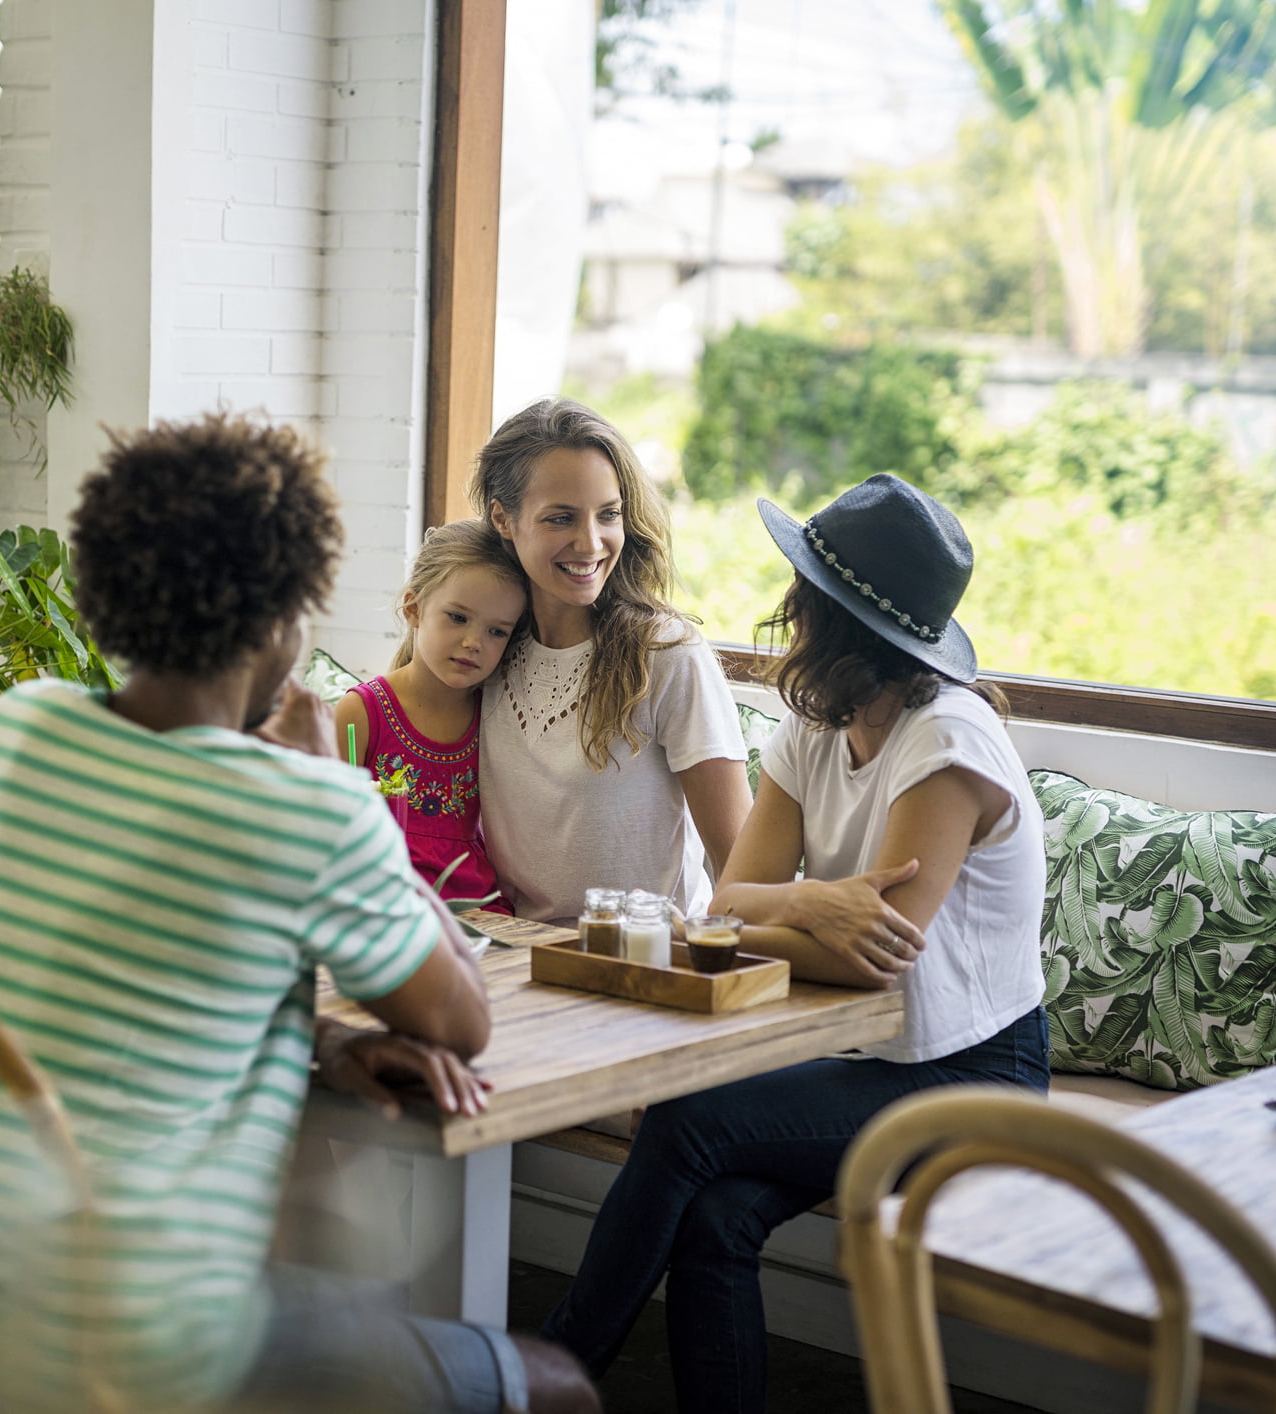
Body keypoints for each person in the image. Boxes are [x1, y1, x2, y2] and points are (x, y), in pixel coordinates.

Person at [0, 413, 598, 1414]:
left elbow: (135, 977)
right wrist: (334, 787)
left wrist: (306, 1045)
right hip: (128, 1368)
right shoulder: (303, 805)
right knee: (557, 1386)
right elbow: (461, 1018)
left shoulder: (21, 729)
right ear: (280, 621)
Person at [540, 474, 1050, 1413]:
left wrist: (787, 912)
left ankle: (551, 1372)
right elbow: (732, 895)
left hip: (969, 1077)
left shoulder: (947, 748)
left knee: (686, 1119)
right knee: (718, 1214)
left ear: (834, 618)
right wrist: (816, 901)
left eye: (804, 596)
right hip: (860, 1057)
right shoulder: (818, 730)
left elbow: (871, 959)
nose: (789, 613)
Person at [473, 398, 751, 922]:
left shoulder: (668, 655)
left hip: (643, 965)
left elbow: (740, 863)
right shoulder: (484, 649)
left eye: (609, 515)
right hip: (515, 959)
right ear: (503, 519)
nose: (591, 542)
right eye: (561, 518)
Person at [333, 519, 528, 911]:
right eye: (457, 617)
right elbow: (328, 836)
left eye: (497, 632)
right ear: (413, 608)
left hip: (481, 913)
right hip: (385, 909)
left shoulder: (497, 715)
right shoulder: (361, 712)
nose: (473, 643)